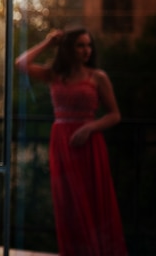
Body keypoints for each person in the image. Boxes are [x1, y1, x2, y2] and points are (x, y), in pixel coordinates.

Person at [15, 28, 127, 256]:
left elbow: (115, 114)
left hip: (88, 144)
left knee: (92, 201)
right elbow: (21, 64)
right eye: (80, 45)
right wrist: (48, 42)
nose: (87, 50)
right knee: (68, 203)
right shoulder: (55, 75)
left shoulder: (97, 77)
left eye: (89, 45)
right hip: (62, 144)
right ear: (69, 49)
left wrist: (90, 127)